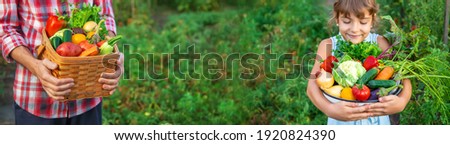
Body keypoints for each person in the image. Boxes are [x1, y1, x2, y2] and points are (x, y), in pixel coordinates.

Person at [0, 0, 123, 125]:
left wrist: (111, 54)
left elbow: (105, 16)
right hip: (36, 97)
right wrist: (36, 67)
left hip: (89, 95)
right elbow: (6, 30)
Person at [306, 0, 412, 125]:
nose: (355, 29)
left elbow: (405, 79)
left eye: (363, 22)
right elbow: (311, 87)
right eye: (346, 21)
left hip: (376, 122)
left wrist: (402, 101)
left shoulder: (380, 43)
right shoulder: (328, 45)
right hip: (341, 121)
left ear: (372, 20)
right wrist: (330, 109)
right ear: (337, 19)